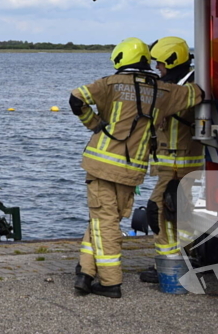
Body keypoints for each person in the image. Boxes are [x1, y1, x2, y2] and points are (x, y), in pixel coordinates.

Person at [69, 37, 203, 299]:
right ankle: (85, 271)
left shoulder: (110, 83)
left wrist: (95, 124)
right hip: (134, 169)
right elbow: (197, 94)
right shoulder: (162, 90)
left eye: (162, 63)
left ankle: (109, 281)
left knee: (103, 220)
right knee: (103, 219)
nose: (159, 67)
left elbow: (76, 99)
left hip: (101, 164)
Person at [140, 37, 204, 283]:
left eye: (160, 64)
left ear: (172, 61)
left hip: (180, 166)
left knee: (159, 212)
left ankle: (169, 265)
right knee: (181, 216)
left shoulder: (185, 87)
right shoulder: (179, 84)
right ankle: (184, 260)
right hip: (174, 166)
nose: (157, 68)